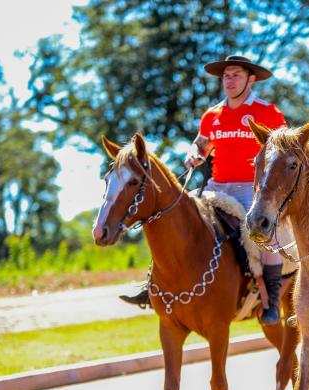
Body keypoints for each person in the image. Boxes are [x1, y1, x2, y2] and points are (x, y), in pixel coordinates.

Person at [120, 55, 288, 324]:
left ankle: (271, 301)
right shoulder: (212, 115)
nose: (229, 81)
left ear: (251, 79)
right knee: (173, 219)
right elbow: (201, 144)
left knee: (263, 236)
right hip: (216, 185)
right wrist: (194, 153)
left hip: (251, 189)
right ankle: (152, 286)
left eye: (236, 75)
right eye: (226, 76)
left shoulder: (267, 112)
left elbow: (285, 150)